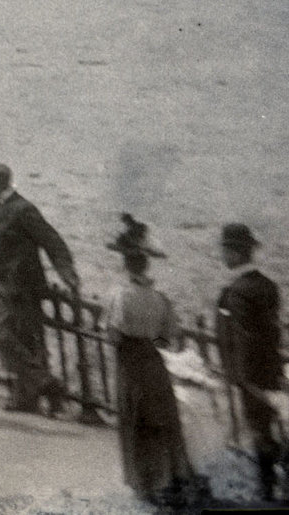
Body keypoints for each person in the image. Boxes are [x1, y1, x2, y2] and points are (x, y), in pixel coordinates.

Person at [104, 214, 198, 505]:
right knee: (159, 417)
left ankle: (142, 481)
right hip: (152, 361)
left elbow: (115, 334)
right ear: (146, 265)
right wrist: (150, 339)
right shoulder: (159, 298)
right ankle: (165, 477)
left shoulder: (121, 296)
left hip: (130, 363)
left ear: (126, 265)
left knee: (135, 417)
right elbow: (167, 338)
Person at [0, 160, 80, 415]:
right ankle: (34, 392)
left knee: (15, 337)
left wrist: (66, 271)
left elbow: (51, 239)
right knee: (13, 339)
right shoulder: (0, 208)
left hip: (22, 287)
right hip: (2, 284)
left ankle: (42, 389)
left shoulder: (22, 209)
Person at [215, 223, 284, 502]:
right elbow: (271, 332)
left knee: (258, 431)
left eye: (225, 250)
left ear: (235, 253)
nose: (222, 255)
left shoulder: (237, 291)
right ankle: (274, 481)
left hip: (250, 376)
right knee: (268, 427)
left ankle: (267, 490)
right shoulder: (267, 286)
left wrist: (240, 377)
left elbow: (244, 339)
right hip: (271, 369)